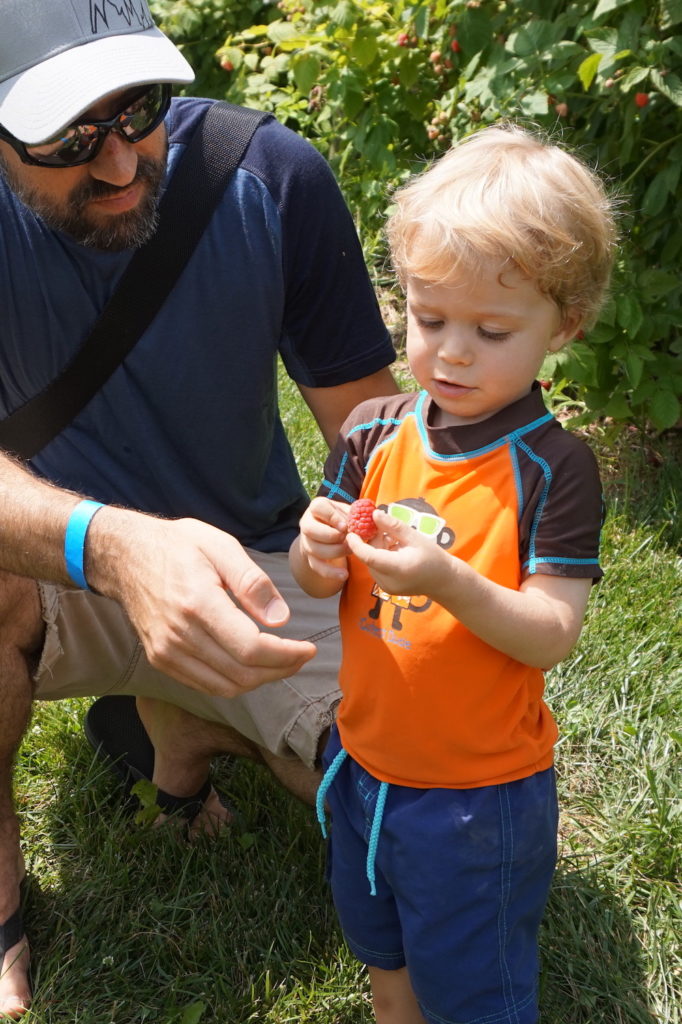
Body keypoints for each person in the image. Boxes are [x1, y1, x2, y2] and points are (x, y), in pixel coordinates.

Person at [0, 0, 398, 1016]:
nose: (123, 162)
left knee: (418, 809)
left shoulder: (270, 177)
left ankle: (185, 725)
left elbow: (377, 445)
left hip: (257, 567)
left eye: (138, 108)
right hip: (55, 569)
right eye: (68, 136)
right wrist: (114, 546)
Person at [290, 124, 616, 1024]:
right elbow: (323, 585)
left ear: (565, 326)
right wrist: (314, 551)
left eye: (492, 329)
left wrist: (449, 581)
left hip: (479, 802)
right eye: (430, 320)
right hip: (363, 767)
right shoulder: (372, 433)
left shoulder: (553, 467)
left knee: (471, 989)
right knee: (384, 959)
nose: (454, 353)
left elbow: (551, 632)